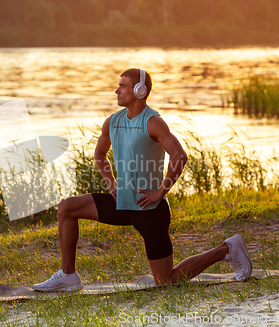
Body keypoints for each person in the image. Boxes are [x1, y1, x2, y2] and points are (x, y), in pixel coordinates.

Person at [33, 68, 252, 291]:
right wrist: (111, 183)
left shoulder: (153, 122)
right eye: (118, 85)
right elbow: (100, 154)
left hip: (150, 208)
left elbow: (179, 156)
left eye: (123, 86)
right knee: (67, 208)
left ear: (139, 90)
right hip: (122, 202)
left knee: (166, 281)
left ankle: (227, 249)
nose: (116, 90)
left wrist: (161, 191)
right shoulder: (112, 122)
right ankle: (68, 275)